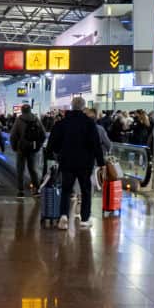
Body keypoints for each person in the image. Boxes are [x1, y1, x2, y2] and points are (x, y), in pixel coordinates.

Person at [48, 97, 105, 230]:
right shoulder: (89, 123)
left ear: (71, 106)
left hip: (67, 162)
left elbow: (52, 143)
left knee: (66, 190)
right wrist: (101, 162)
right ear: (84, 107)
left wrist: (56, 154)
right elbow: (96, 144)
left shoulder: (62, 123)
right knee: (86, 190)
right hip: (85, 163)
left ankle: (63, 216)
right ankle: (85, 219)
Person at [9, 104, 45, 197]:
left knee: (20, 169)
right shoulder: (36, 119)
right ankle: (37, 189)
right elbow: (43, 134)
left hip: (21, 148)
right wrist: (38, 145)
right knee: (33, 169)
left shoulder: (19, 120)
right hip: (32, 148)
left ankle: (21, 190)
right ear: (30, 110)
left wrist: (14, 147)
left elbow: (13, 135)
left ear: (22, 110)